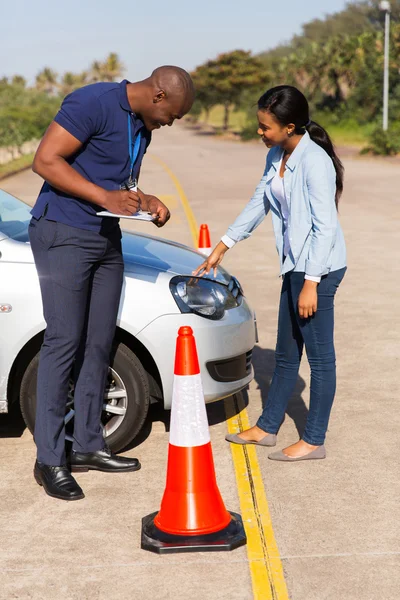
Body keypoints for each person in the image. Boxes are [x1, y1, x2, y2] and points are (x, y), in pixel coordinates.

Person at [30, 66, 195, 500]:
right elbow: (45, 160)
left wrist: (146, 200)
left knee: (99, 342)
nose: (169, 123)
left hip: (105, 236)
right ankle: (50, 459)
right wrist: (105, 198)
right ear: (158, 95)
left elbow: (115, 183)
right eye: (172, 115)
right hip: (63, 232)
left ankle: (87, 444)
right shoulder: (93, 103)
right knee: (63, 340)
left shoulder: (141, 125)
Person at [193, 85, 346, 462]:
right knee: (286, 354)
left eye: (265, 128)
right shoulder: (278, 155)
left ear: (290, 126)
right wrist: (223, 245)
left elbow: (325, 228)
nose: (260, 133)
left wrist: (312, 283)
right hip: (295, 265)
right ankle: (267, 427)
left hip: (319, 269)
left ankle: (313, 440)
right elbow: (259, 201)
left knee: (320, 357)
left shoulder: (315, 162)